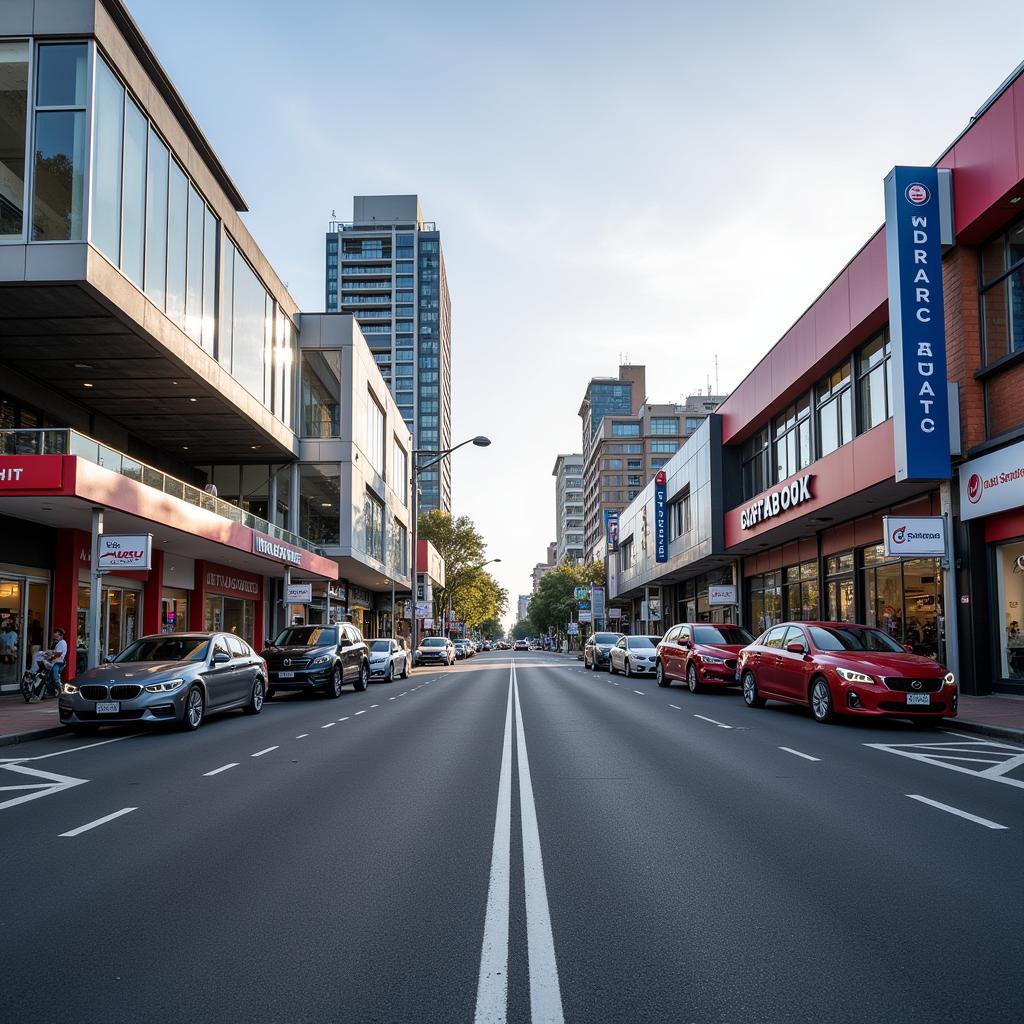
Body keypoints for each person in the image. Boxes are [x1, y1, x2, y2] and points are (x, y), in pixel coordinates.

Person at [29, 627, 67, 699]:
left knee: (54, 676)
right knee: (45, 675)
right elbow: (52, 652)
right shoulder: (56, 642)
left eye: (56, 635)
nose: (54, 636)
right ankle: (46, 691)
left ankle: (58, 691)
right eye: (54, 635)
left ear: (60, 635)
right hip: (53, 662)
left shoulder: (62, 642)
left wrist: (49, 656)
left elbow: (57, 654)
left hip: (58, 663)